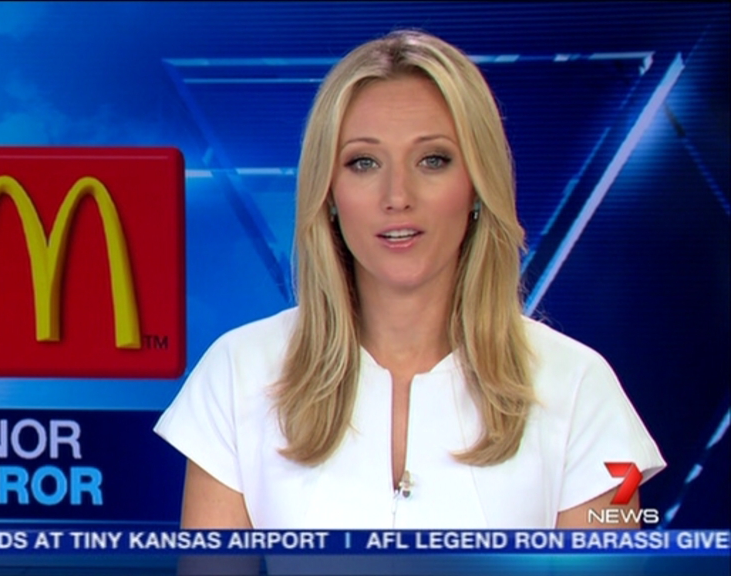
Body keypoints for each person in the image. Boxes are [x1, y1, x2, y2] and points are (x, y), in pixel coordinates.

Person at [155, 30, 665, 530]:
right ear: (328, 193)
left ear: (476, 186)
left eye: (432, 160)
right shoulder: (239, 373)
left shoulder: (578, 388)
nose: (397, 196)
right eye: (364, 162)